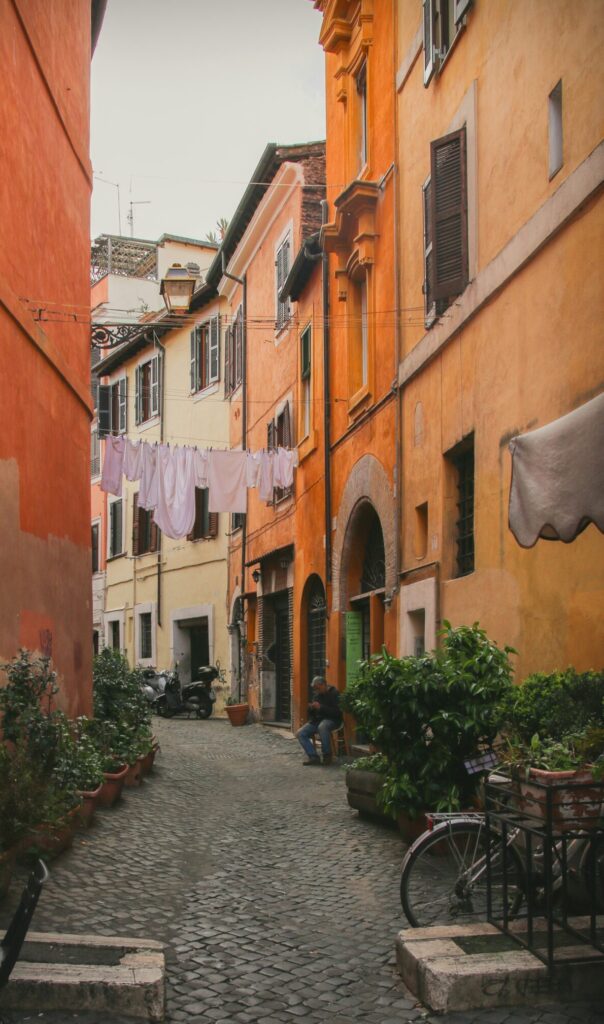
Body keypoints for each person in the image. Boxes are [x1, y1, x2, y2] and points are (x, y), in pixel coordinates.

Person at [296, 676, 342, 766]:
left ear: (323, 685)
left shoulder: (334, 693)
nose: (316, 690)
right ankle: (313, 757)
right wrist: (311, 708)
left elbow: (337, 712)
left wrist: (321, 707)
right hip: (317, 720)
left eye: (317, 688)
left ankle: (327, 755)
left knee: (322, 727)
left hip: (332, 720)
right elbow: (312, 714)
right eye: (314, 689)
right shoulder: (317, 695)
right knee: (300, 733)